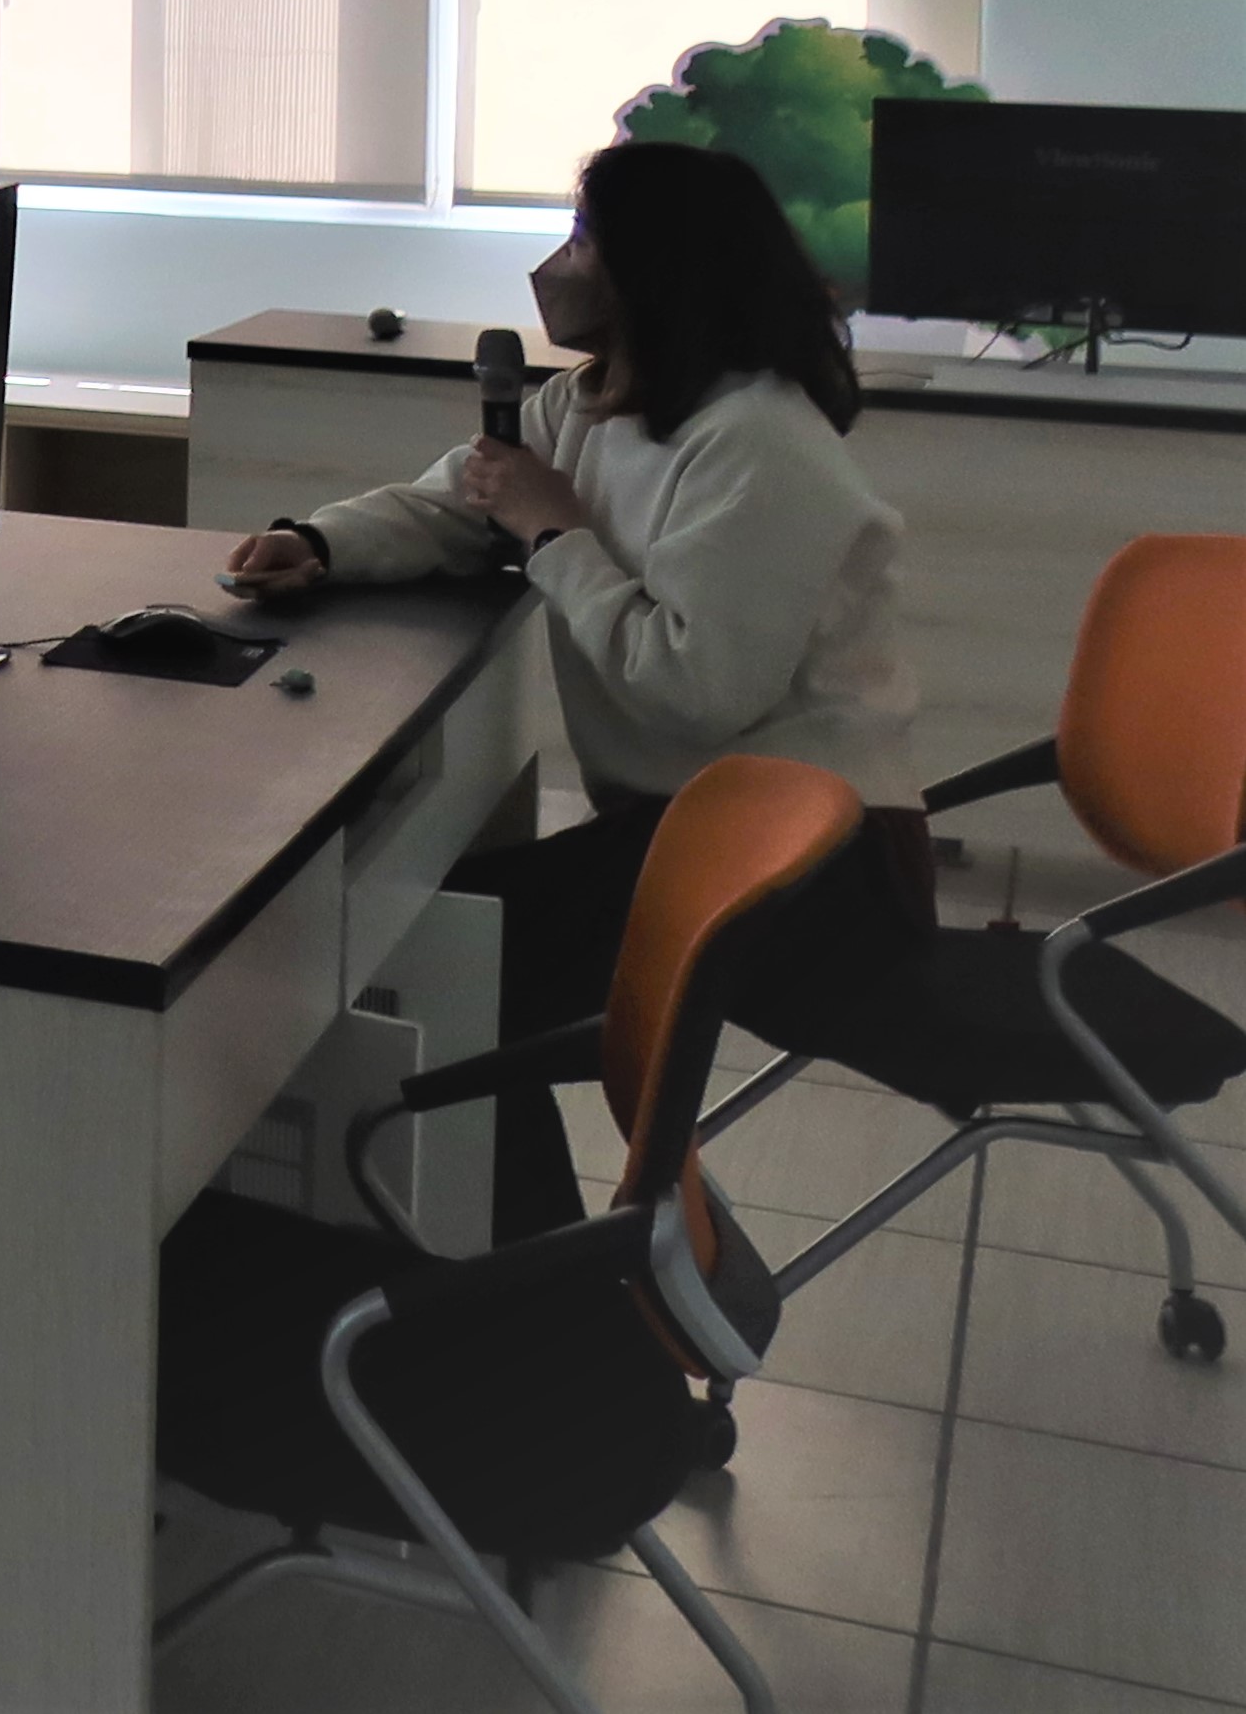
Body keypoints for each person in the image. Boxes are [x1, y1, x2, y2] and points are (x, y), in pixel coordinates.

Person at [225, 137, 927, 1230]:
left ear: (658, 267)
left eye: (584, 237)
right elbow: (459, 504)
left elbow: (694, 686)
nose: (557, 264)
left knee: (444, 977)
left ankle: (532, 1284)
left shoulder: (759, 441)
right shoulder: (589, 404)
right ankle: (512, 1258)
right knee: (440, 954)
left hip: (810, 865)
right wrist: (318, 541)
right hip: (690, 829)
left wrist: (553, 532)